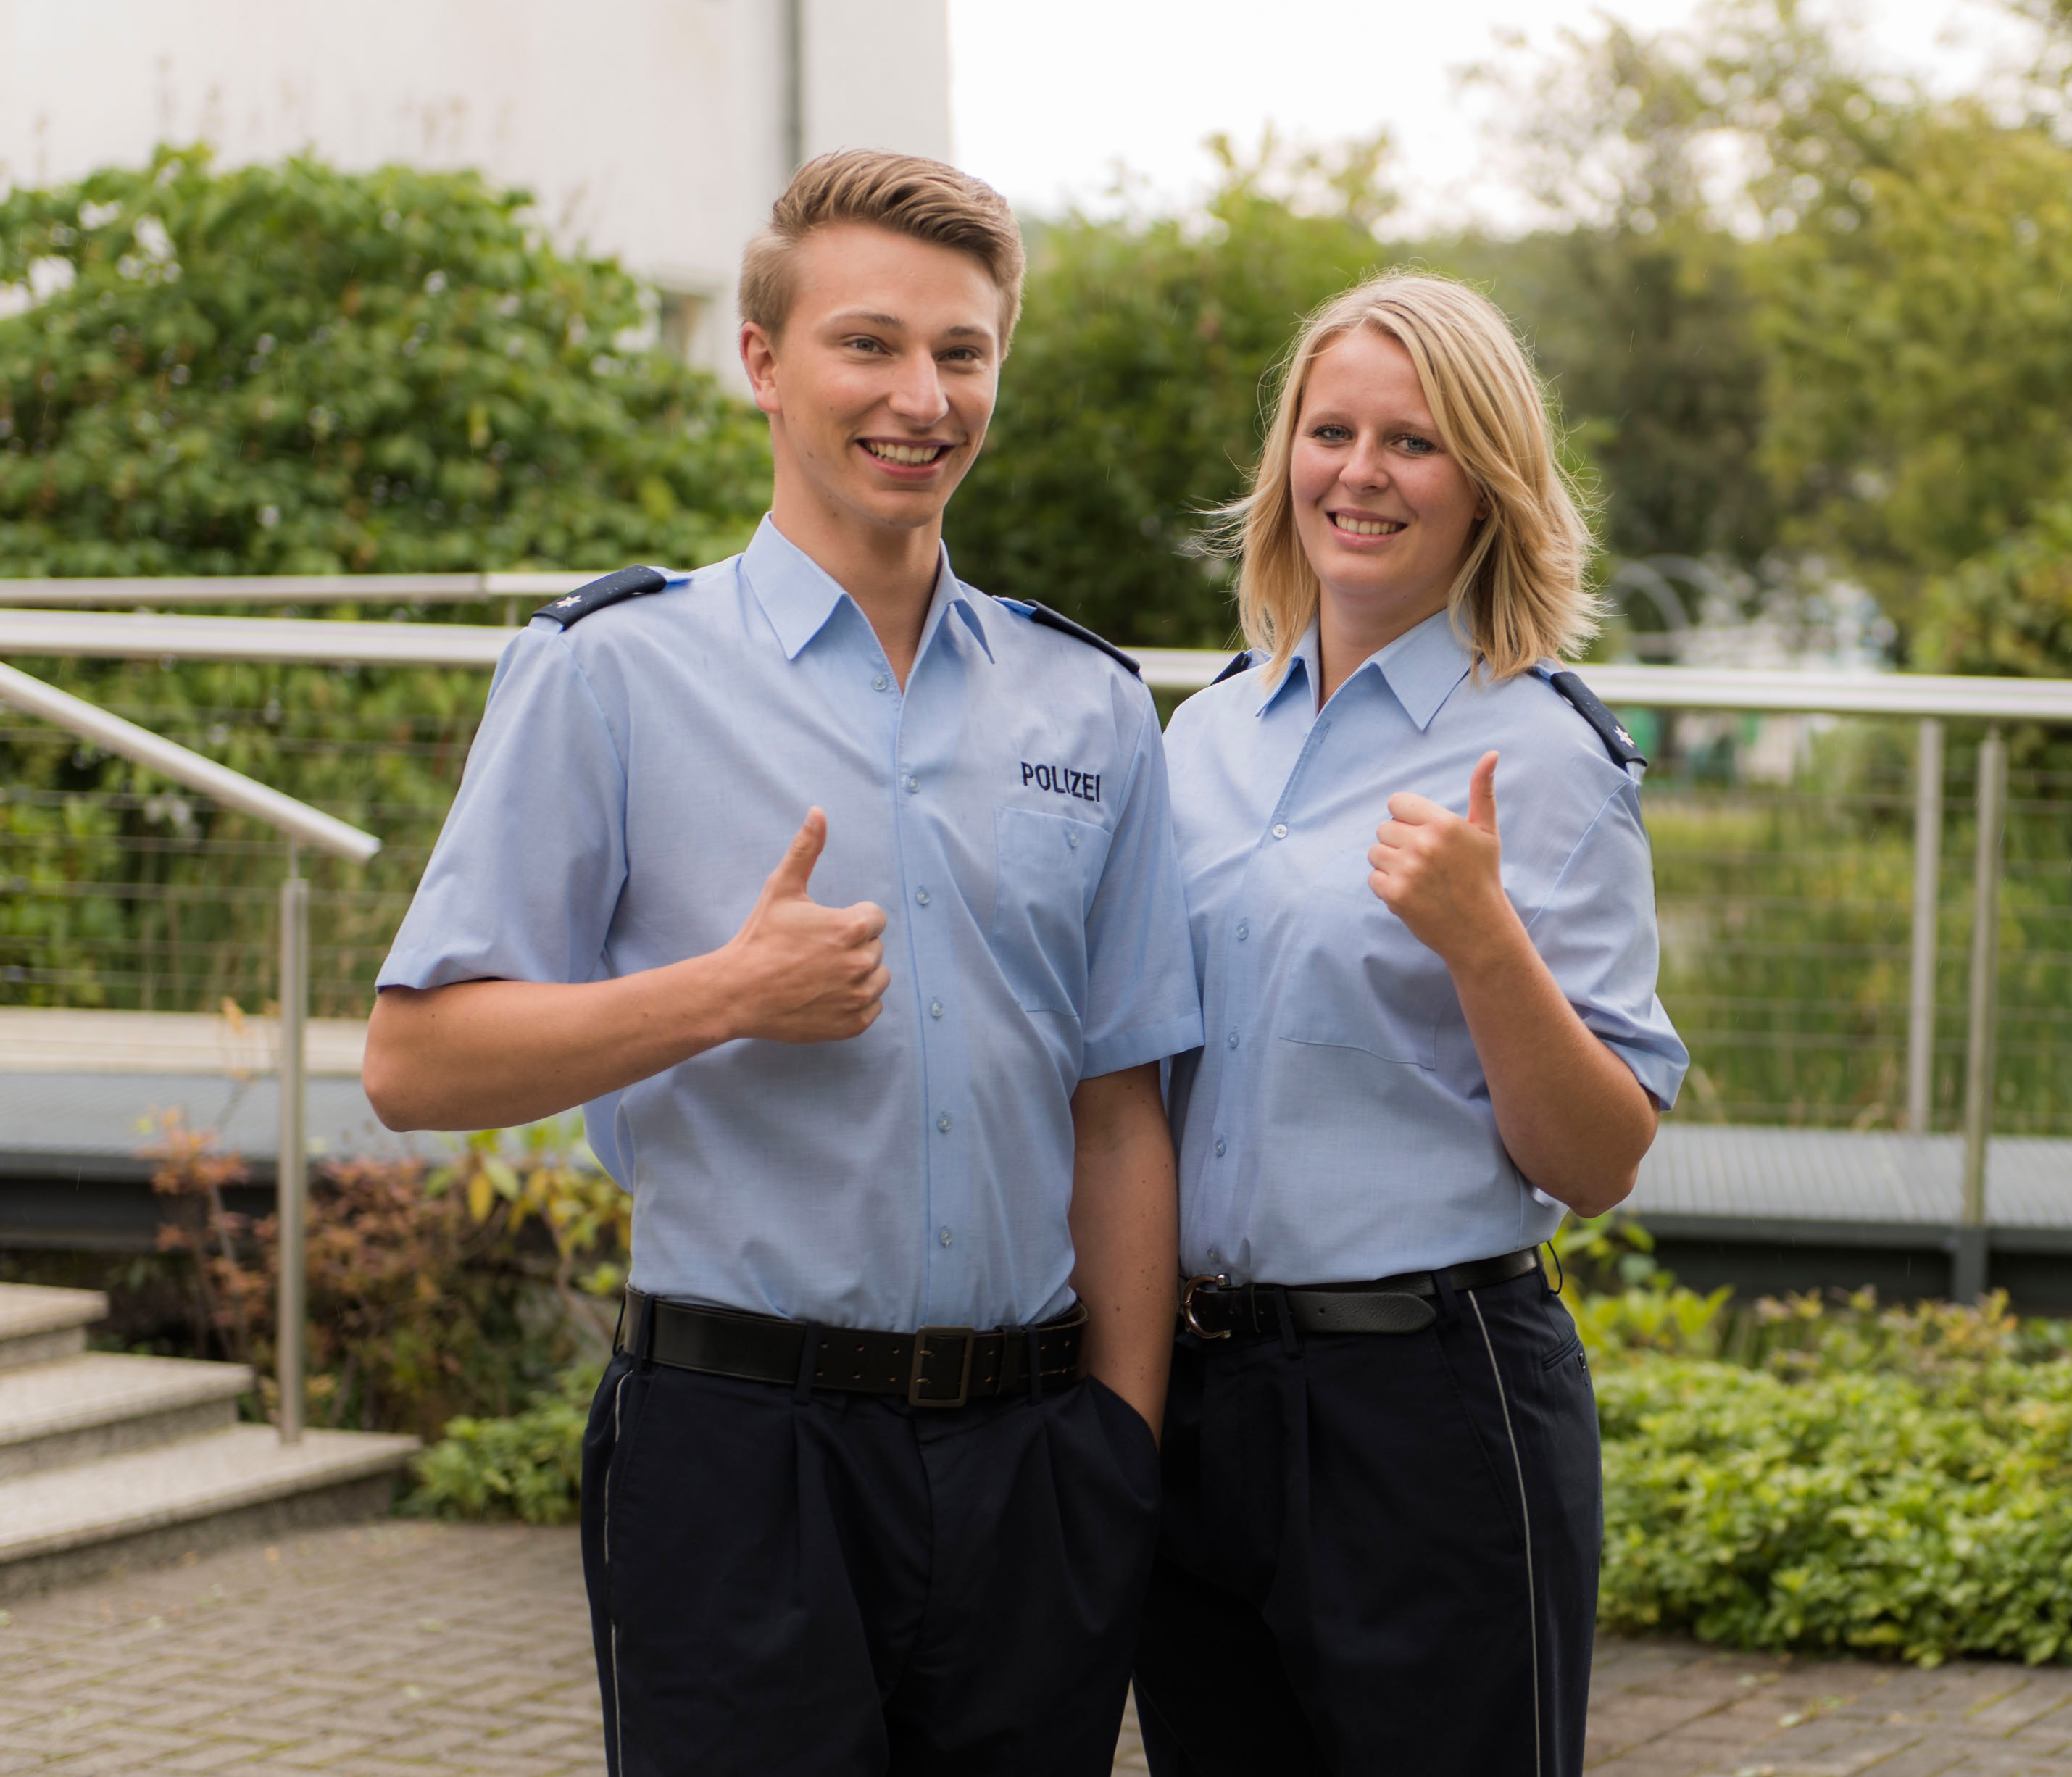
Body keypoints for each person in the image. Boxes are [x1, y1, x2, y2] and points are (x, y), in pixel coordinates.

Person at [360, 150, 1197, 1777]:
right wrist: (723, 996)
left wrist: (1119, 1448)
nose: (920, 396)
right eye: (867, 344)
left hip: (1035, 1467)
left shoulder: (1086, 707)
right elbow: (415, 1063)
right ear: (761, 362)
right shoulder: (607, 676)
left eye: (961, 354)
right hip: (740, 1459)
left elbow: (1117, 1111)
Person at [1131, 272, 1689, 1776]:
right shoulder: (1199, 741)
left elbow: (1597, 1158)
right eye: (1331, 432)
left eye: (1414, 443)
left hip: (1423, 1410)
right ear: (1285, 462)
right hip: (1198, 1400)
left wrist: (1480, 939)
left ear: (1487, 485)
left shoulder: (1544, 751)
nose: (1360, 475)